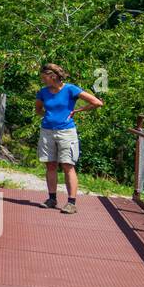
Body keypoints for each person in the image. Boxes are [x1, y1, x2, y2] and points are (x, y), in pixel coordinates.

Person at [35, 63, 103, 214]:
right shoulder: (42, 92)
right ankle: (52, 199)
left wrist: (77, 110)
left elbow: (97, 103)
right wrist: (48, 116)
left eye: (44, 77)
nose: (43, 80)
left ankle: (71, 203)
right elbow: (38, 109)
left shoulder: (70, 89)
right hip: (47, 131)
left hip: (66, 132)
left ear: (52, 76)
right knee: (50, 165)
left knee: (67, 165)